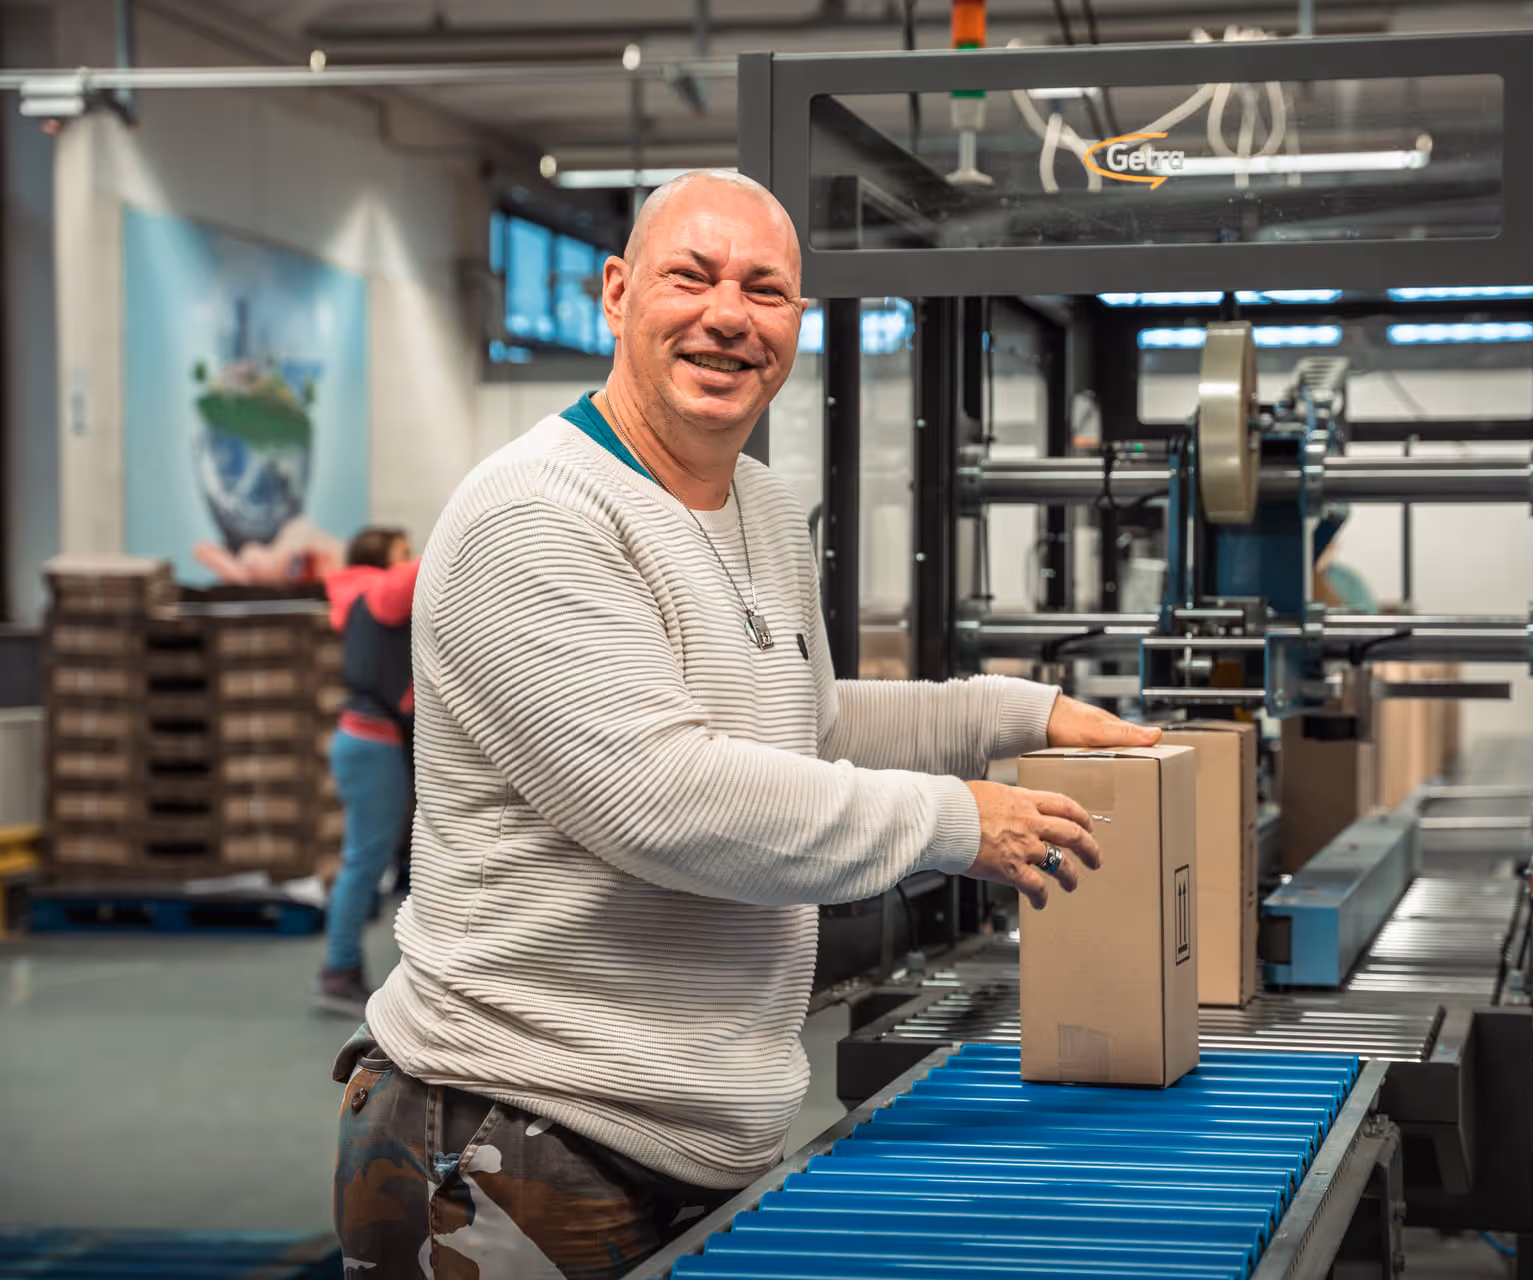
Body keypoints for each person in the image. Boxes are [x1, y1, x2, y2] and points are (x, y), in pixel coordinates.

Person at [330, 171, 1158, 1277]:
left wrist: (1017, 713)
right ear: (617, 294)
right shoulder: (535, 515)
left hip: (704, 1131)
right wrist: (959, 819)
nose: (730, 314)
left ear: (797, 323)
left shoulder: (762, 506)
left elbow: (801, 729)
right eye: (693, 276)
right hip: (516, 1130)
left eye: (765, 289)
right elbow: (670, 801)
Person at [316, 525, 419, 1017]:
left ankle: (343, 967)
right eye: (402, 550)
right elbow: (442, 555)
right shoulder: (382, 593)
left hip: (364, 738)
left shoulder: (357, 597)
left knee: (364, 858)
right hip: (373, 743)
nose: (411, 557)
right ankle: (338, 971)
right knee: (363, 861)